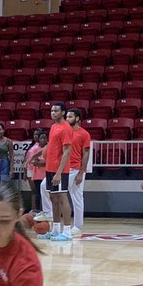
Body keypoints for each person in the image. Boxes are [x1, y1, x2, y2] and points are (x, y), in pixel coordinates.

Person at [39, 101, 74, 241]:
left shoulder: (66, 128)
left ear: (63, 113)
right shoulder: (53, 126)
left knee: (62, 197)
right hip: (50, 168)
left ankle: (67, 231)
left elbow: (67, 152)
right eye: (52, 110)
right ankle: (55, 230)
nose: (53, 113)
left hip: (60, 169)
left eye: (56, 110)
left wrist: (59, 172)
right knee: (53, 198)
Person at [65, 108, 92, 235]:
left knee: (76, 197)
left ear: (77, 118)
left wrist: (81, 172)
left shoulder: (84, 134)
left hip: (76, 169)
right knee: (47, 188)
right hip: (63, 168)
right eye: (66, 117)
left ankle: (77, 226)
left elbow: (86, 154)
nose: (67, 119)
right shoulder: (64, 132)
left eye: (70, 116)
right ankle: (55, 222)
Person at [25, 129, 50, 219]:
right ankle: (38, 210)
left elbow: (48, 162)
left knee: (46, 194)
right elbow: (34, 162)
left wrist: (41, 162)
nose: (43, 139)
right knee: (38, 193)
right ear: (38, 140)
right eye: (41, 138)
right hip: (37, 174)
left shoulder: (49, 148)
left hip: (47, 174)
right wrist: (42, 162)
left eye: (44, 138)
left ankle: (46, 211)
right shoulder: (34, 149)